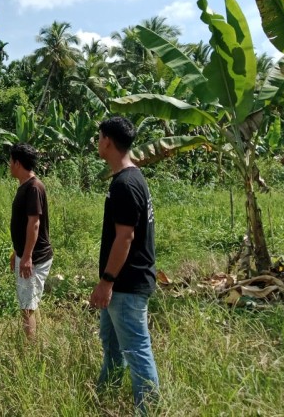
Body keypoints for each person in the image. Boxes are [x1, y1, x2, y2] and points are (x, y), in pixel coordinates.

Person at [90, 116, 159, 413]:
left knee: (137, 350)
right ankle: (104, 397)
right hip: (122, 283)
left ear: (107, 141)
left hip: (125, 284)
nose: (97, 142)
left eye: (99, 137)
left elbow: (125, 237)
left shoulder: (125, 184)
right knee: (112, 346)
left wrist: (106, 281)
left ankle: (148, 410)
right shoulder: (131, 177)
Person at [8, 142, 53, 340]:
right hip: (26, 253)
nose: (9, 165)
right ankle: (34, 341)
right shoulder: (26, 186)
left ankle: (30, 349)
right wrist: (17, 252)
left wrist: (26, 257)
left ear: (17, 163)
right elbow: (24, 224)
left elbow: (34, 224)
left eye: (10, 161)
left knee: (27, 306)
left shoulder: (33, 187)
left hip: (34, 257)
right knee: (29, 302)